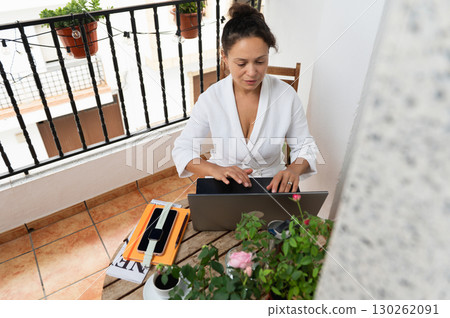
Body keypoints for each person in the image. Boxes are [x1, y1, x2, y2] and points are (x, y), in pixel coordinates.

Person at [172, 3, 317, 193]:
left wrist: (293, 170)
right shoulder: (211, 98)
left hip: (272, 186)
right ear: (224, 57)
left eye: (260, 61)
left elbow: (306, 147)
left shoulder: (286, 96)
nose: (252, 72)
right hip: (223, 185)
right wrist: (214, 169)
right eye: (241, 63)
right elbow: (182, 149)